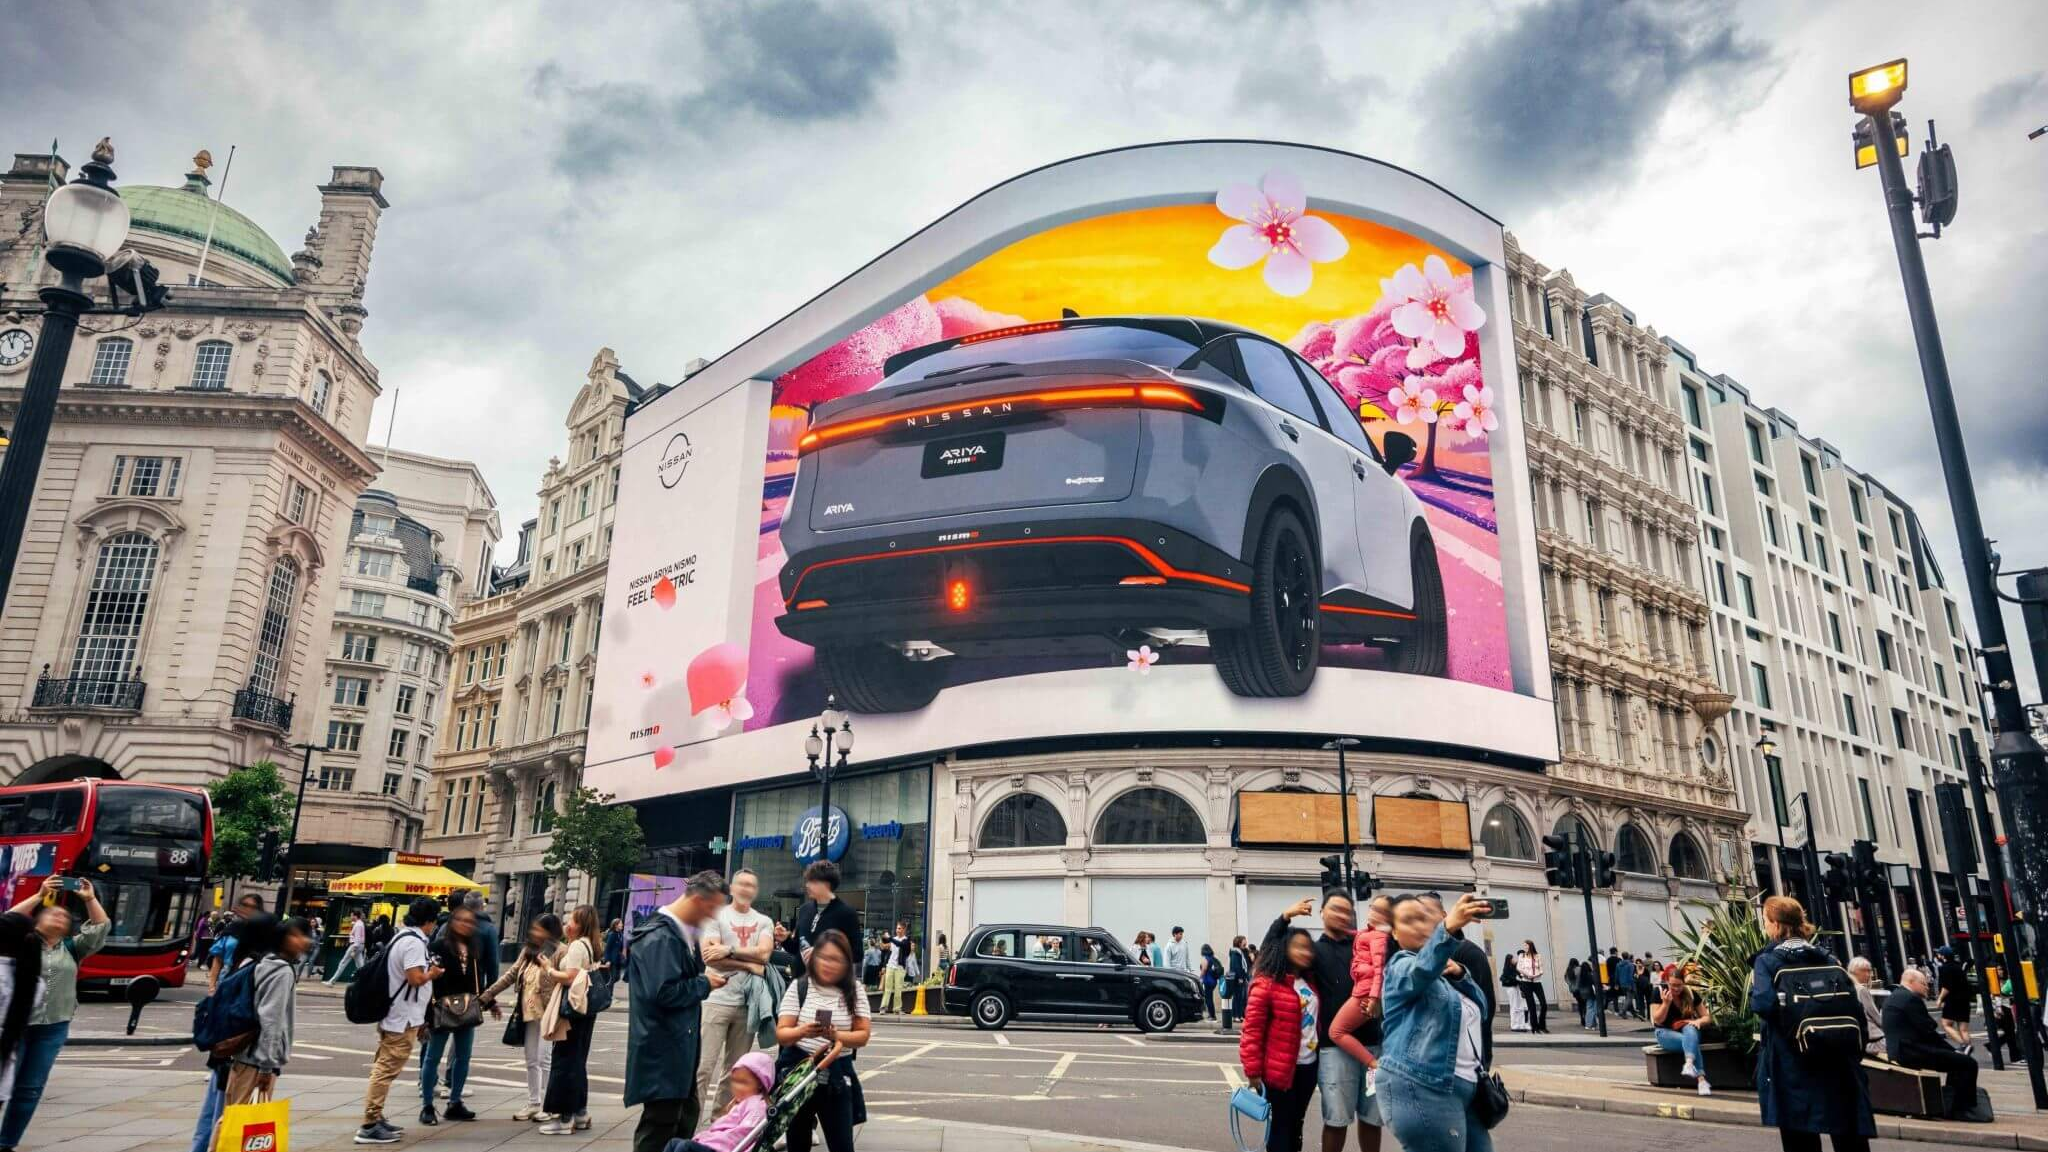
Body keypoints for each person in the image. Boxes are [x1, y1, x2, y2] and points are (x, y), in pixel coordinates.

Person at [1749, 896, 1874, 1152]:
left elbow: (1763, 1004)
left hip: (1793, 1059)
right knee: (1847, 1131)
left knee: (1800, 1135)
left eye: (1765, 921)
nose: (1765, 927)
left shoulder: (1768, 961)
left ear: (1775, 924)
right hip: (1838, 1057)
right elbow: (1854, 1007)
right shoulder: (1827, 958)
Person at [1377, 893, 1495, 1152]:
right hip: (1424, 1086)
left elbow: (1482, 1011)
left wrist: (1462, 975)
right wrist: (1449, 928)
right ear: (1394, 933)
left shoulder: (1444, 972)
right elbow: (1419, 972)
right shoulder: (1399, 967)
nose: (1420, 926)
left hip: (1464, 1090)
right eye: (1409, 921)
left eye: (1423, 919)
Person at [1264, 890, 1380, 1152]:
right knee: (1336, 1119)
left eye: (1347, 911)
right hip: (1333, 1051)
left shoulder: (1364, 945)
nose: (1342, 915)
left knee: (1373, 1118)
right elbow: (1272, 952)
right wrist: (1285, 917)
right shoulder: (1312, 953)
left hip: (1374, 1048)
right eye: (1335, 909)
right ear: (1322, 913)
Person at [0, 876, 111, 1150]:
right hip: (16, 1026)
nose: (60, 918)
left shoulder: (72, 948)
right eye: (53, 914)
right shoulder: (22, 943)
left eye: (65, 917)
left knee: (29, 1090)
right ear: (37, 920)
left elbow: (100, 927)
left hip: (52, 1027)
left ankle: (6, 1143)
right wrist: (40, 895)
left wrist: (89, 898)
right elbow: (6, 920)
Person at [628, 870, 731, 1152]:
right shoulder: (661, 936)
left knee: (681, 1120)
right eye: (712, 908)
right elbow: (663, 992)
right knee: (659, 1128)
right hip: (663, 1052)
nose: (712, 916)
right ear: (697, 900)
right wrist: (704, 983)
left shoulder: (679, 932)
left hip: (676, 1050)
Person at [354, 896, 445, 1146]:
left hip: (394, 1014)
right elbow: (415, 978)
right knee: (385, 1070)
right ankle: (369, 1125)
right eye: (434, 919)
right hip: (402, 1017)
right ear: (429, 920)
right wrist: (433, 974)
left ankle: (377, 1117)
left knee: (383, 1066)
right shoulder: (414, 943)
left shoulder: (401, 937)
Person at [776, 927, 872, 1152]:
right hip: (799, 1076)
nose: (829, 964)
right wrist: (802, 1032)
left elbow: (863, 1035)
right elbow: (782, 1033)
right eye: (824, 957)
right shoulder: (800, 986)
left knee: (842, 1145)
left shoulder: (854, 990)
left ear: (847, 963)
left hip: (837, 1077)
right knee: (798, 1143)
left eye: (836, 959)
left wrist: (836, 1035)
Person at [697, 867, 775, 1121]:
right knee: (703, 1067)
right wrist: (747, 964)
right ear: (731, 888)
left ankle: (720, 1123)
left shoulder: (764, 921)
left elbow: (764, 955)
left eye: (751, 885)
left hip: (747, 1005)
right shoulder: (715, 916)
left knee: (735, 1071)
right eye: (741, 884)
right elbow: (710, 958)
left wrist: (727, 949)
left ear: (756, 891)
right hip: (716, 999)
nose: (745, 889)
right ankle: (690, 1121)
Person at [1239, 927, 1320, 1152]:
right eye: (1298, 946)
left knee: (1296, 1124)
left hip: (1308, 1067)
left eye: (1308, 948)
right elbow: (1252, 1030)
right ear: (1284, 948)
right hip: (1278, 1071)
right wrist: (1253, 1071)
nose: (1305, 952)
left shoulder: (1310, 981)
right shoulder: (1266, 983)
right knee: (1281, 1127)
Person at [481, 913, 563, 1122]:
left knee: (545, 1059)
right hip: (528, 1011)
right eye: (534, 928)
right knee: (531, 1059)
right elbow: (511, 974)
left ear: (550, 932)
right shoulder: (529, 951)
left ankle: (549, 1104)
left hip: (548, 1012)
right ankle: (534, 1102)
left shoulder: (560, 952)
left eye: (539, 929)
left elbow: (563, 980)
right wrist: (488, 994)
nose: (534, 932)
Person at [418, 902, 485, 1126]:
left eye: (470, 922)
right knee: (433, 1057)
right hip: (442, 1008)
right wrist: (426, 1014)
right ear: (452, 923)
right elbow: (430, 979)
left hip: (467, 1007)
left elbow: (477, 980)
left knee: (463, 1057)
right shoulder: (438, 946)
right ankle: (427, 1105)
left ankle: (454, 1102)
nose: (466, 925)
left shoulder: (474, 948)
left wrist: (488, 1001)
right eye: (461, 921)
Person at [538, 904, 603, 1134]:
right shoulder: (592, 945)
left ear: (581, 924)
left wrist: (548, 969)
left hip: (572, 1011)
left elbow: (570, 977)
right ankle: (580, 1112)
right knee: (577, 1062)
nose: (567, 924)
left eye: (572, 920)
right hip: (586, 1011)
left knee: (563, 1061)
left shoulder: (577, 946)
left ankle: (563, 1118)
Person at [1884, 966, 1980, 1120]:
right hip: (1911, 1052)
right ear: (1911, 981)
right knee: (1968, 1063)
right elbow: (1928, 1031)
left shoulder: (1894, 997)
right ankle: (1963, 1109)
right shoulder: (1910, 999)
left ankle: (1951, 1105)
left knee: (1956, 1063)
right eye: (1924, 983)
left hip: (1901, 1050)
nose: (1927, 987)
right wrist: (1953, 1051)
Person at [1419, 893, 1495, 1067]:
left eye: (1427, 912)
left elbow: (1485, 1009)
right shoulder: (1417, 954)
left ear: (1445, 916)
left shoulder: (1469, 953)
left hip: (1463, 1061)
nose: (1421, 918)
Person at [665, 1051, 776, 1152]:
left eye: (743, 1082)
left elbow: (743, 1135)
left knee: (685, 1147)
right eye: (734, 1081)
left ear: (760, 1084)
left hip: (724, 1148)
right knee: (673, 1143)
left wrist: (710, 1140)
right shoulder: (741, 1102)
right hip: (716, 1143)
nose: (737, 1087)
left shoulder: (757, 1107)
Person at [1651, 963, 1714, 1096]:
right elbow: (1657, 1020)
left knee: (1690, 1030)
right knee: (1691, 1042)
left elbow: (1707, 1018)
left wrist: (1698, 1021)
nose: (1676, 988)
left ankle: (1689, 1063)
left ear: (1684, 983)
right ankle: (1701, 1079)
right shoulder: (1659, 992)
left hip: (1686, 1030)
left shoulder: (1691, 994)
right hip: (1665, 1033)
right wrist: (1666, 1004)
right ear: (1667, 981)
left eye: (1679, 985)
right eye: (1673, 985)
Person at [785, 862, 861, 968]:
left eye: (812, 881)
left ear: (826, 883)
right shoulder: (804, 910)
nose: (807, 885)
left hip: (829, 981)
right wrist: (785, 939)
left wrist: (823, 953)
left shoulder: (847, 913)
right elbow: (796, 948)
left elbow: (857, 954)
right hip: (801, 979)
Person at [207, 892, 267, 992]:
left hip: (250, 985)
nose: (248, 909)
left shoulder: (264, 931)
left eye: (253, 907)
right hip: (225, 982)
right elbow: (218, 959)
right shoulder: (233, 928)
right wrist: (212, 987)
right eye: (245, 905)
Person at [1934, 946, 1972, 1047]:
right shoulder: (1958, 967)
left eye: (1939, 954)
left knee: (1946, 1024)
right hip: (1964, 1000)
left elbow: (1946, 987)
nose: (1937, 956)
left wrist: (1939, 999)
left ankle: (1963, 1045)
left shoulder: (1944, 968)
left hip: (1952, 1000)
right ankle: (1968, 1046)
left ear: (1943, 956)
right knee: (1963, 1029)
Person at [1847, 958, 1885, 1057]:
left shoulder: (1847, 988)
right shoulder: (1861, 990)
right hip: (1875, 1041)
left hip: (1859, 1040)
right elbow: (1876, 1018)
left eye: (1869, 970)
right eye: (1865, 970)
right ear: (1855, 971)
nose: (1869, 974)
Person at [1513, 941, 1548, 1034]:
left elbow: (1541, 969)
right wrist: (1528, 975)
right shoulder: (1522, 956)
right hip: (1526, 982)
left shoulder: (1538, 956)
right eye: (1524, 945)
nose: (1524, 947)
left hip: (1537, 981)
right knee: (1531, 1005)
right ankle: (1534, 1027)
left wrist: (1536, 975)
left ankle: (1542, 1025)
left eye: (1526, 945)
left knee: (1544, 1004)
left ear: (1531, 946)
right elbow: (1519, 968)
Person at [880, 921, 912, 1014]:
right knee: (887, 988)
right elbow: (889, 953)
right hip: (890, 965)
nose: (897, 930)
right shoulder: (893, 939)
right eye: (897, 928)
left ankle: (897, 1009)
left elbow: (900, 944)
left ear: (904, 929)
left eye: (899, 928)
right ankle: (883, 1007)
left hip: (900, 967)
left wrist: (890, 938)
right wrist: (884, 966)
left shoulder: (906, 941)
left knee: (898, 989)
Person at [329, 912, 369, 984]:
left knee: (343, 962)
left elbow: (357, 938)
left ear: (355, 916)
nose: (350, 917)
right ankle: (366, 981)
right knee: (360, 965)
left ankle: (332, 981)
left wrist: (354, 950)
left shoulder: (358, 925)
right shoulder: (359, 924)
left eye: (351, 915)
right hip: (359, 945)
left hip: (355, 946)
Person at [1222, 936, 1251, 1031]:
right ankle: (1236, 1015)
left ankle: (1240, 1015)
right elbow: (1236, 967)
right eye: (1244, 942)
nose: (1245, 943)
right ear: (1238, 943)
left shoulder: (1241, 953)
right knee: (1237, 997)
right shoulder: (1235, 953)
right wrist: (1240, 978)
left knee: (1241, 997)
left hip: (1241, 978)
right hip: (1237, 979)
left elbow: (1245, 965)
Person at [1576, 955, 1601, 1029]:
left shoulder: (1581, 976)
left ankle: (1591, 1024)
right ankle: (1590, 1024)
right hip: (1592, 992)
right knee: (1593, 1009)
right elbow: (1594, 983)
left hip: (1585, 993)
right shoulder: (1590, 975)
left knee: (1589, 1008)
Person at [1199, 943, 1222, 1020]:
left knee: (1208, 999)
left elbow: (1204, 969)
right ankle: (1211, 1014)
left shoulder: (1205, 958)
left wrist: (1200, 978)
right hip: (1213, 981)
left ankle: (1212, 1015)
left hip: (1208, 981)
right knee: (1209, 998)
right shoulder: (1213, 958)